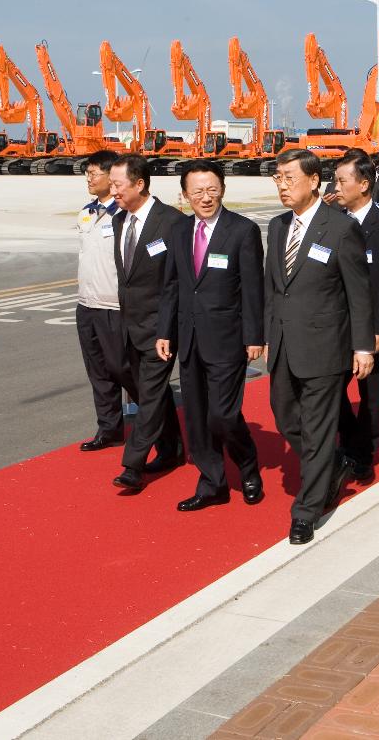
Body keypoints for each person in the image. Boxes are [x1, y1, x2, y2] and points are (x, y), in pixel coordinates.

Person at [264, 149, 374, 545]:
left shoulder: (340, 229)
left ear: (313, 181)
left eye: (289, 178)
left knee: (317, 426)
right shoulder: (278, 228)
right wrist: (261, 336)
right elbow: (273, 289)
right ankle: (334, 463)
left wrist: (363, 346)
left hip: (326, 347)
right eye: (278, 178)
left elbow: (359, 294)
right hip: (283, 345)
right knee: (285, 418)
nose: (282, 185)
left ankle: (306, 511)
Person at [155, 160, 265, 511]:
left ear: (223, 190)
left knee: (222, 414)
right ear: (185, 195)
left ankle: (248, 467)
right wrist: (165, 331)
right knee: (198, 417)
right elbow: (171, 285)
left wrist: (255, 336)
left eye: (212, 189)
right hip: (188, 338)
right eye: (198, 191)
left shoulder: (242, 230)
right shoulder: (179, 230)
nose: (206, 197)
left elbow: (253, 288)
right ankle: (212, 482)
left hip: (227, 338)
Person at [108, 154, 186, 493]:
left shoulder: (171, 222)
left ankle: (133, 464)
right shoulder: (118, 221)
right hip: (129, 325)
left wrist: (168, 328)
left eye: (117, 185)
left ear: (139, 184)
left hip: (161, 329)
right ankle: (172, 448)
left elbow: (177, 281)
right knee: (145, 389)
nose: (113, 192)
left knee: (150, 395)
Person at [331, 149, 379, 483]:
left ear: (363, 185)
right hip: (337, 326)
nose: (336, 186)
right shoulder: (333, 221)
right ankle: (352, 442)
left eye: (342, 180)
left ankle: (365, 453)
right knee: (332, 390)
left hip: (371, 327)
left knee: (370, 397)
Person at [75, 151, 134, 452]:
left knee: (122, 368)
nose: (89, 177)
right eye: (87, 172)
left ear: (111, 179)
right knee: (97, 369)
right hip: (87, 304)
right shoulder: (87, 212)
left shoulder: (124, 215)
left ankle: (152, 418)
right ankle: (109, 428)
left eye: (95, 172)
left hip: (113, 306)